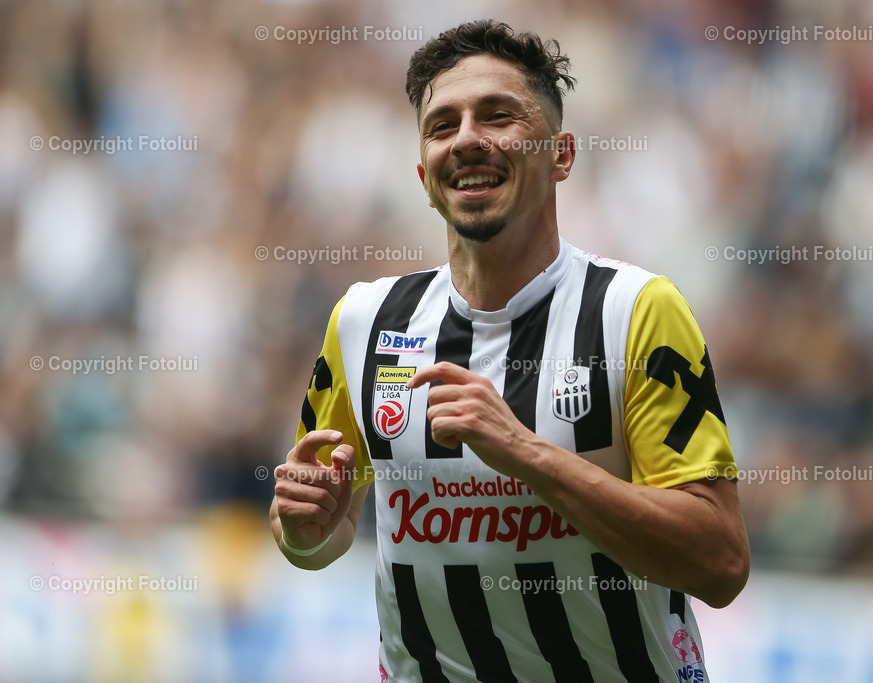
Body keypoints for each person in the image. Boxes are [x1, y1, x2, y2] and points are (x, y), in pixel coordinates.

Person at [270, 19, 749, 682]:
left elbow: (720, 562)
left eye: (498, 116)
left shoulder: (635, 312)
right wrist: (303, 530)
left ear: (561, 154)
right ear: (424, 173)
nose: (466, 138)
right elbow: (325, 532)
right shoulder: (365, 321)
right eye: (442, 125)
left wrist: (526, 454)